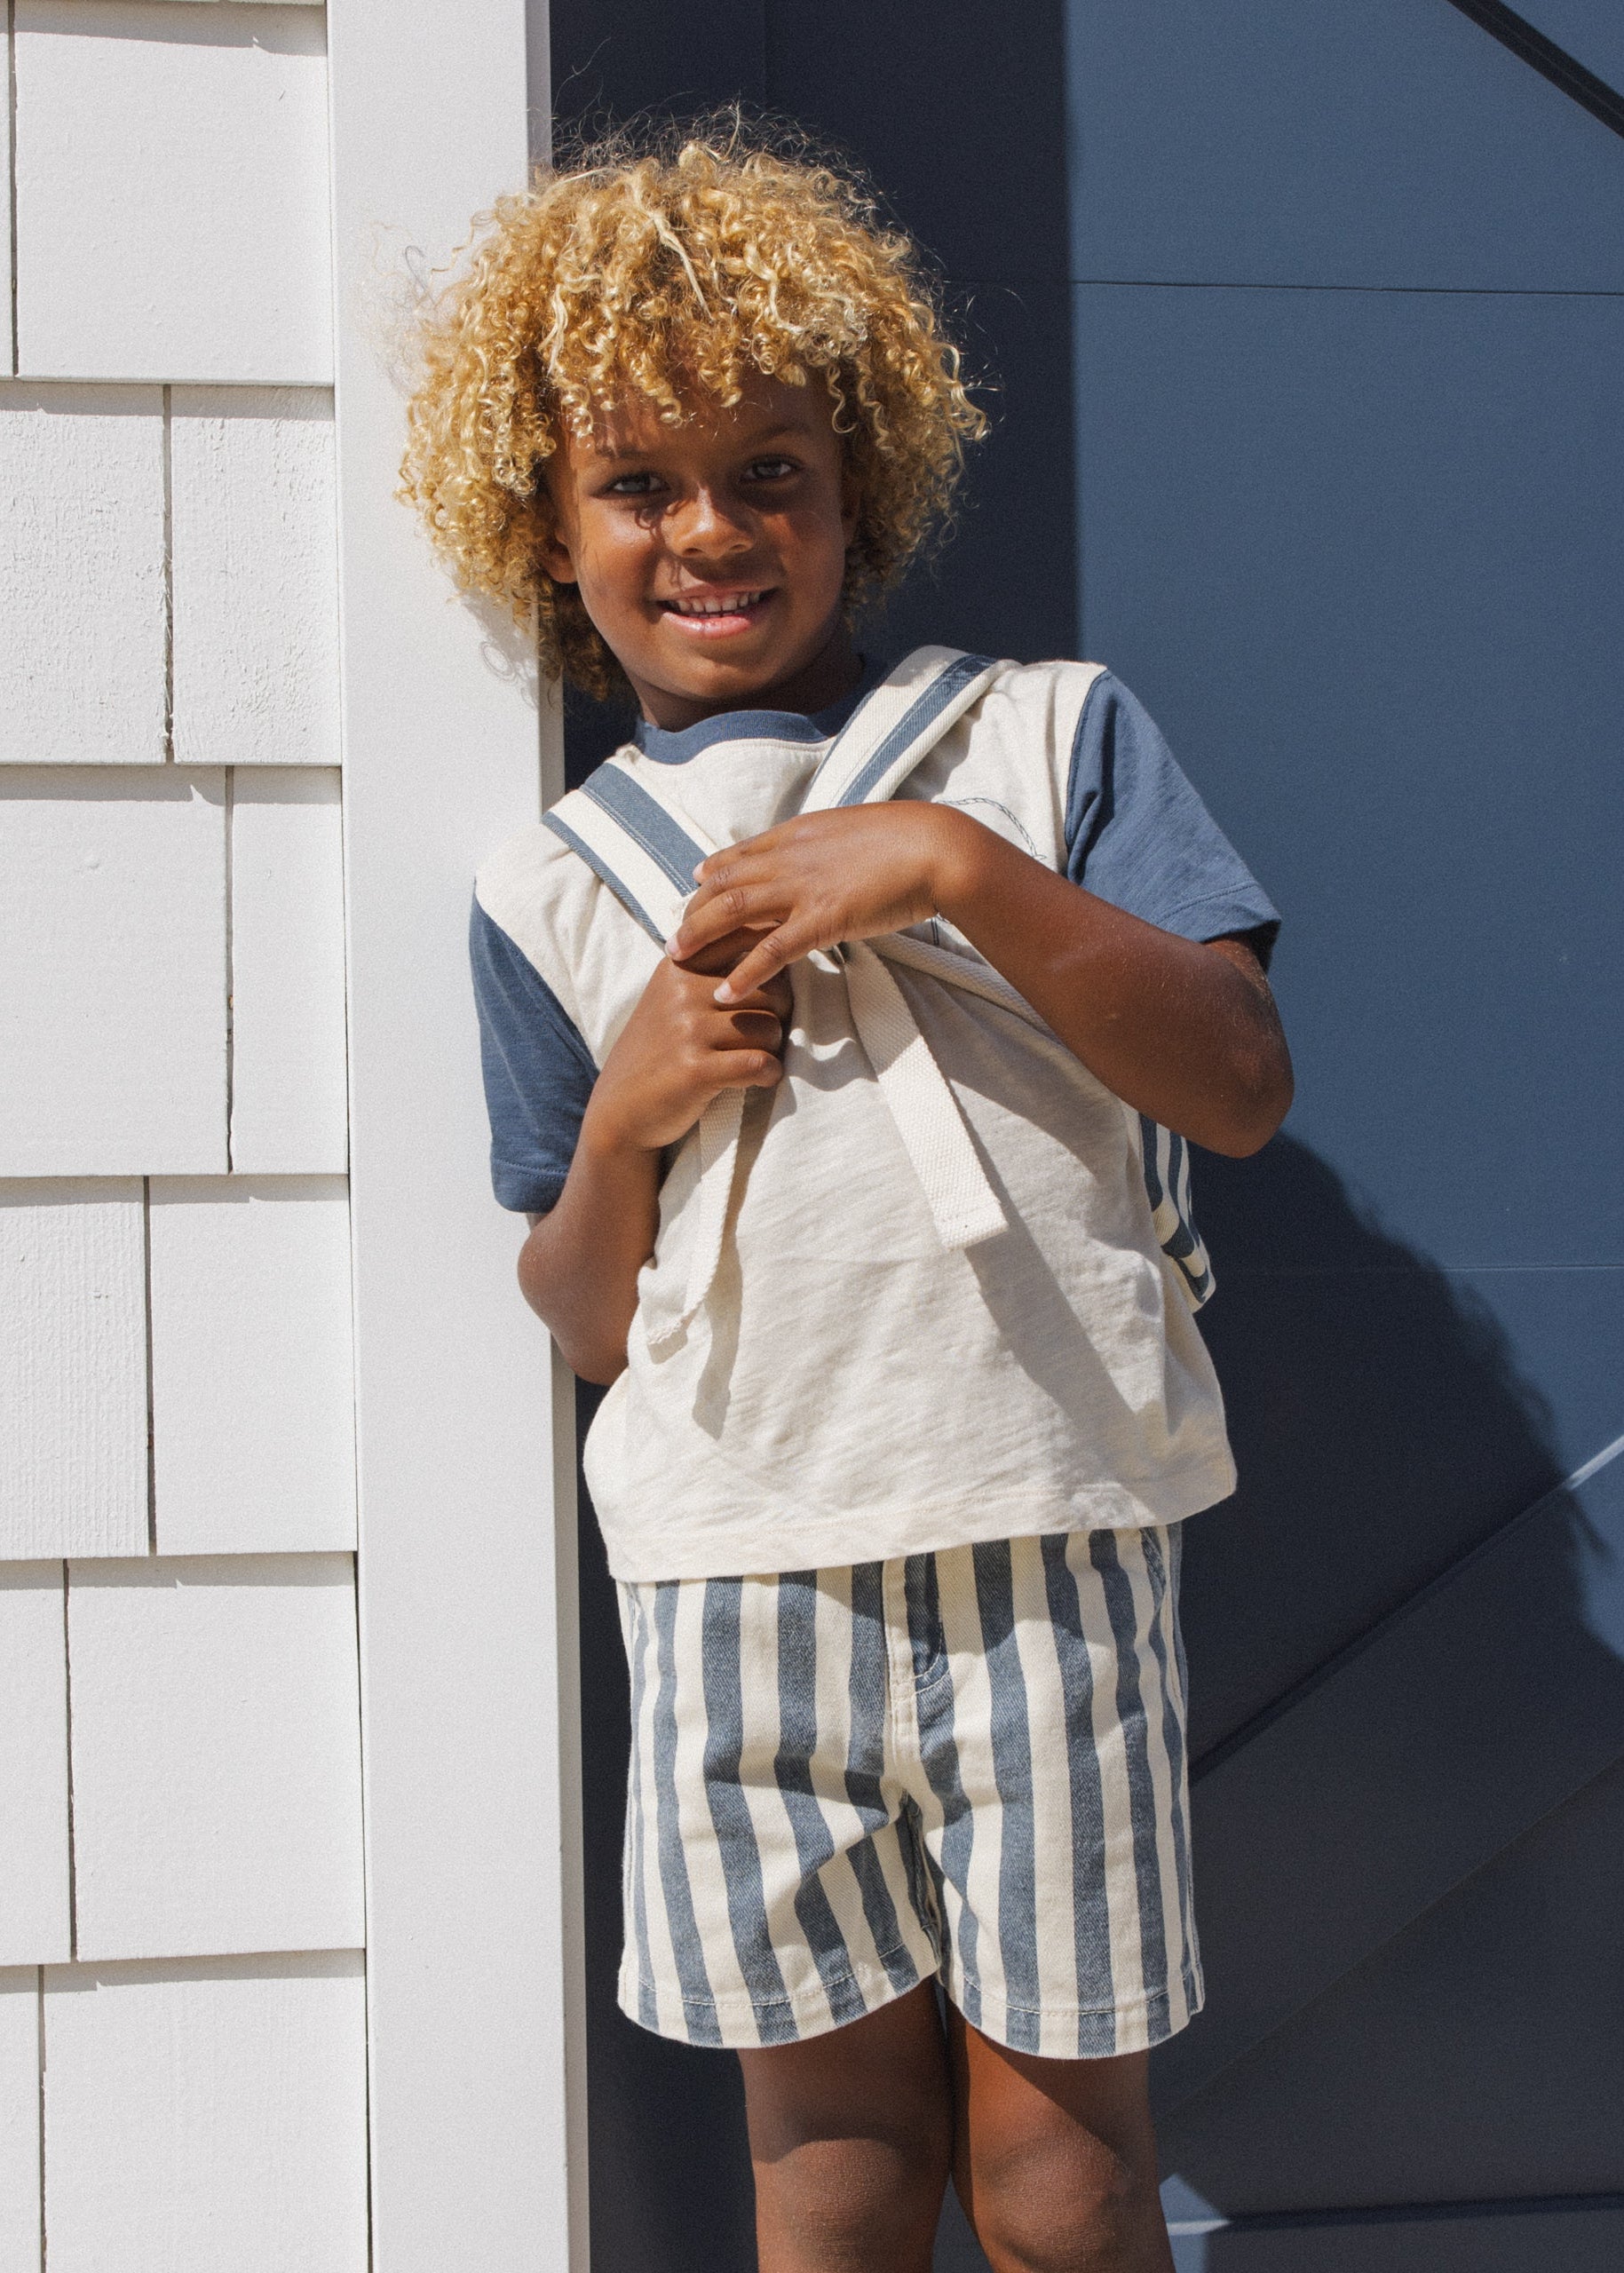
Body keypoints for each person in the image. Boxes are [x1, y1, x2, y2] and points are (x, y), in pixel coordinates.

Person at [401, 121, 1292, 2273]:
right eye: (639, 483)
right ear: (546, 519)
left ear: (856, 479)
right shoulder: (544, 887)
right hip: (738, 1569)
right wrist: (621, 1118)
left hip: (1045, 1526)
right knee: (829, 2156)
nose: (709, 531)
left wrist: (950, 870)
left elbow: (1242, 1087)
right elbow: (588, 1312)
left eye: (768, 471)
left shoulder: (1043, 741)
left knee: (1063, 2166)